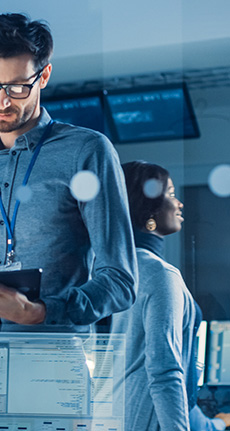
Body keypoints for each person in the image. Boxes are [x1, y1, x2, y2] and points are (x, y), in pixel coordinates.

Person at [0, 13, 137, 333]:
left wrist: (40, 311)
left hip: (50, 361)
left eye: (18, 87)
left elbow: (120, 281)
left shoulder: (87, 151)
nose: (2, 100)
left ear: (43, 76)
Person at [111, 160, 230, 431]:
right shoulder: (160, 275)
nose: (180, 204)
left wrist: (216, 425)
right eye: (171, 194)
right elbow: (164, 373)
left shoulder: (120, 272)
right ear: (149, 209)